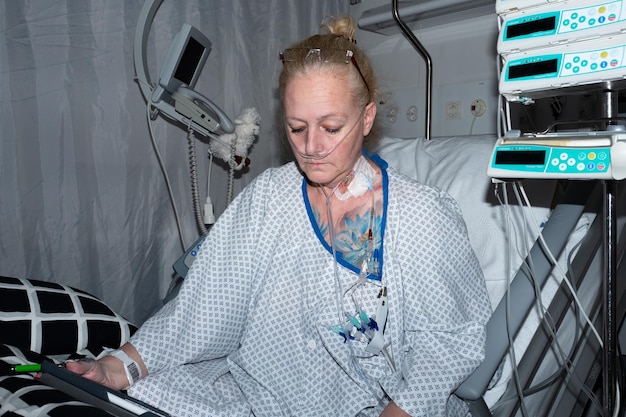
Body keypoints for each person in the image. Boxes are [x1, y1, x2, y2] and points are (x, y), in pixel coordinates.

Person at [67, 15, 492, 417]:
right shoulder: (271, 195)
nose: (311, 147)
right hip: (262, 394)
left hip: (380, 406)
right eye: (296, 127)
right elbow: (206, 305)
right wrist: (122, 366)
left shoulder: (421, 216)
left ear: (366, 118)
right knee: (142, 396)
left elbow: (449, 344)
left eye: (330, 127)